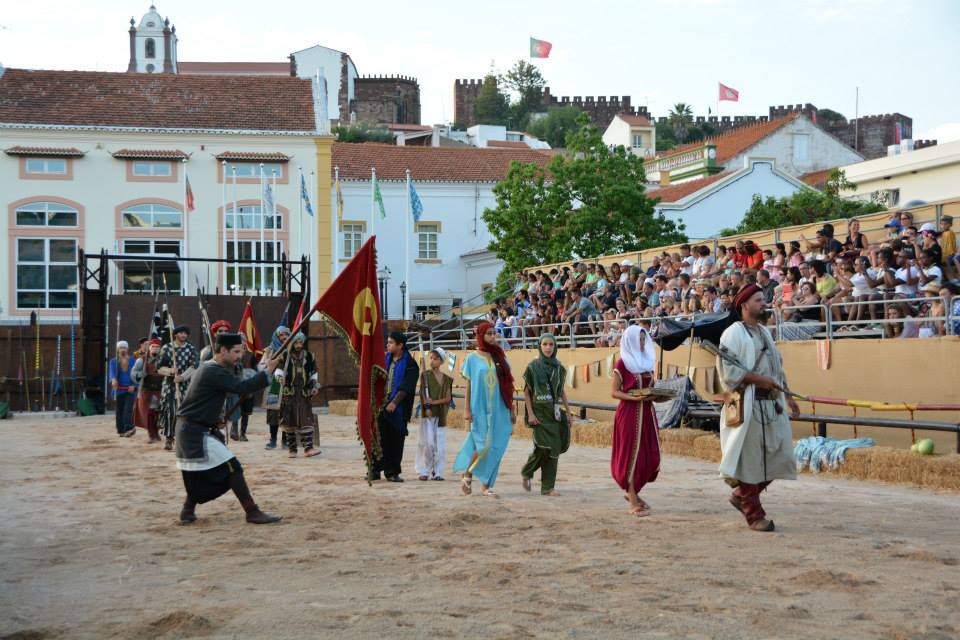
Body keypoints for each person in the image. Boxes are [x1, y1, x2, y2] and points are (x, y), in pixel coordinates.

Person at [716, 285, 799, 532]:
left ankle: (741, 495)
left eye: (764, 299)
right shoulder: (732, 334)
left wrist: (788, 395)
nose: (764, 303)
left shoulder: (764, 332)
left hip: (771, 404)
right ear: (744, 305)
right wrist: (760, 380)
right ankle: (754, 515)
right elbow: (730, 373)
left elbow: (777, 367)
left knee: (781, 454)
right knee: (750, 461)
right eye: (758, 300)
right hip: (747, 403)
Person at [175, 332, 281, 525]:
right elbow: (242, 387)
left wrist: (214, 421)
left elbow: (205, 401)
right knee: (233, 468)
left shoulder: (212, 368)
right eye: (236, 352)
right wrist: (267, 373)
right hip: (194, 432)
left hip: (194, 429)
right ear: (223, 350)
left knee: (200, 474)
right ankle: (252, 511)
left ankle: (187, 511)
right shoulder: (213, 371)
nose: (240, 356)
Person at [455, 322, 516, 498]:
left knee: (496, 445)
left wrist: (511, 409)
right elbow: (469, 385)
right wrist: (466, 409)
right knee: (482, 446)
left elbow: (507, 385)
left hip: (499, 408)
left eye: (494, 333)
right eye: (488, 334)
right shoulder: (472, 359)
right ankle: (468, 473)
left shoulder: (500, 357)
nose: (492, 337)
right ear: (480, 336)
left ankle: (486, 485)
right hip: (479, 407)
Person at [610, 324, 661, 517]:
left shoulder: (647, 361)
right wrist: (635, 398)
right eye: (638, 339)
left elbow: (650, 388)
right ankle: (633, 501)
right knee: (631, 456)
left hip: (647, 413)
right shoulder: (622, 363)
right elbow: (614, 392)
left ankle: (633, 493)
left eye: (643, 339)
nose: (641, 342)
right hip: (630, 414)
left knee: (651, 457)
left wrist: (658, 396)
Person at [521, 334, 570, 497]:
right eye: (545, 344)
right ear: (539, 346)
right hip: (539, 413)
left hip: (554, 413)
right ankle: (527, 471)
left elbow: (561, 391)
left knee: (554, 450)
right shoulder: (532, 366)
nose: (548, 348)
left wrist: (568, 413)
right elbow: (526, 393)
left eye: (551, 344)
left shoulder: (559, 368)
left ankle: (548, 487)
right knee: (542, 447)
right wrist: (530, 414)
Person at [372, 332, 419, 482]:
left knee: (395, 441)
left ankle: (392, 472)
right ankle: (374, 470)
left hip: (398, 409)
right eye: (388, 342)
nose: (388, 345)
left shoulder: (410, 364)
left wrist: (394, 402)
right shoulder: (384, 360)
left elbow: (407, 386)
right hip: (380, 407)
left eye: (391, 342)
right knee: (378, 440)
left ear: (400, 345)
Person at [277, 333, 320, 459]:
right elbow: (279, 370)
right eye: (296, 343)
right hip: (289, 393)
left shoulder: (309, 356)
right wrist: (279, 377)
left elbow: (313, 373)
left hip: (303, 393)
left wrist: (313, 385)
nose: (298, 345)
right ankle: (292, 450)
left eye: (300, 343)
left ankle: (308, 448)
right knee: (289, 421)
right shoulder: (285, 355)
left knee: (305, 419)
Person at [158, 326, 200, 451]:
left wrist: (182, 377)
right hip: (170, 386)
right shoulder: (167, 348)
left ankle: (183, 439)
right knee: (170, 411)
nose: (183, 335)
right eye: (181, 333)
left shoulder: (191, 349)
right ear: (175, 334)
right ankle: (169, 438)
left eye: (185, 333)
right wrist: (171, 371)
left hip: (186, 385)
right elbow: (159, 367)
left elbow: (194, 366)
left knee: (185, 412)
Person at [416, 348, 453, 481]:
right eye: (430, 358)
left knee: (440, 446)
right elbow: (423, 394)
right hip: (428, 415)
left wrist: (434, 402)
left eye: (435, 359)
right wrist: (427, 407)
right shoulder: (425, 375)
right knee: (428, 443)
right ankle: (425, 470)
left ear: (441, 361)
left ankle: (438, 472)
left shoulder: (447, 379)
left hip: (440, 415)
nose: (432, 361)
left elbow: (448, 398)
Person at [260, 325, 291, 449]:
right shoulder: (270, 349)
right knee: (273, 412)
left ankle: (285, 440)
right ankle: (273, 440)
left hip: (289, 383)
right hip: (274, 383)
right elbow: (263, 366)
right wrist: (274, 360)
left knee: (287, 412)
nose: (284, 337)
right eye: (281, 335)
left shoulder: (293, 348)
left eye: (286, 335)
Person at [131, 338, 164, 443]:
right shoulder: (141, 360)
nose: (155, 349)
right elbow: (133, 374)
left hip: (160, 391)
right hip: (147, 391)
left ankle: (156, 433)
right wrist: (141, 374)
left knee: (159, 413)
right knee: (148, 413)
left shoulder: (164, 360)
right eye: (153, 347)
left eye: (157, 347)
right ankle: (151, 434)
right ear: (149, 348)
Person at [109, 341, 137, 437]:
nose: (123, 350)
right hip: (118, 390)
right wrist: (113, 379)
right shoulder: (114, 361)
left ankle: (128, 428)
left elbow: (136, 374)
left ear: (127, 349)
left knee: (128, 409)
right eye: (121, 348)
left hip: (129, 389)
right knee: (119, 410)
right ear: (118, 349)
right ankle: (121, 430)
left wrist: (134, 385)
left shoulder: (133, 361)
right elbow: (111, 372)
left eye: (124, 348)